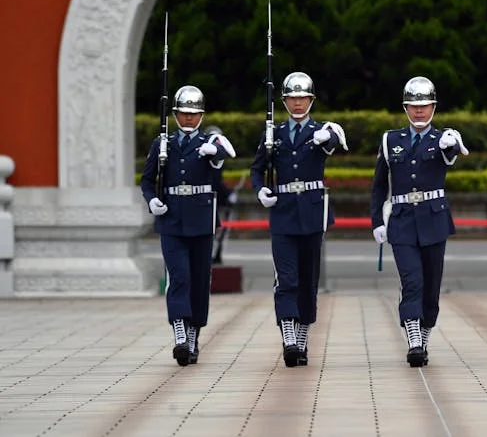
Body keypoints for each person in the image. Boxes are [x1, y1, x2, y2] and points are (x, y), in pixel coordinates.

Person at [370, 76, 469, 367]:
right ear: (405, 108)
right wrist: (377, 220)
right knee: (411, 280)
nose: (419, 112)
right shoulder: (391, 140)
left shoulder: (443, 139)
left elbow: (453, 153)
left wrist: (452, 144)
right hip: (401, 221)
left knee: (431, 286)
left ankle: (423, 335)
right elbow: (379, 184)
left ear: (434, 107)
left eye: (424, 106)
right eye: (413, 106)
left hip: (434, 219)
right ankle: (413, 339)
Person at [250, 72, 347, 368]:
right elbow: (257, 169)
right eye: (292, 98)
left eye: (302, 97)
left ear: (311, 100)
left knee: (308, 280)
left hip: (311, 212)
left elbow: (335, 142)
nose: (297, 102)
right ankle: (289, 336)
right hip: (283, 213)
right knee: (286, 278)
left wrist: (326, 137)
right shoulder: (274, 135)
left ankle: (302, 335)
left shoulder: (320, 130)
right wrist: (261, 190)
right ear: (284, 101)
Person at [141, 85, 237, 366]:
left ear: (202, 116)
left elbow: (223, 155)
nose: (188, 119)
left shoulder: (210, 141)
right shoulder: (162, 144)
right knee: (179, 276)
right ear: (174, 114)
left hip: (201, 219)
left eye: (194, 115)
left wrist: (215, 150)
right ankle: (180, 334)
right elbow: (147, 180)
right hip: (171, 218)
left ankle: (193, 335)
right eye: (183, 114)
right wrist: (151, 201)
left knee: (198, 280)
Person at [204, 125, 241, 265]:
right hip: (209, 199)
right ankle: (212, 255)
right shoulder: (206, 154)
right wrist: (228, 195)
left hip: (216, 199)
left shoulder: (217, 155)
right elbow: (214, 181)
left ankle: (217, 254)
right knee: (213, 232)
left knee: (221, 232)